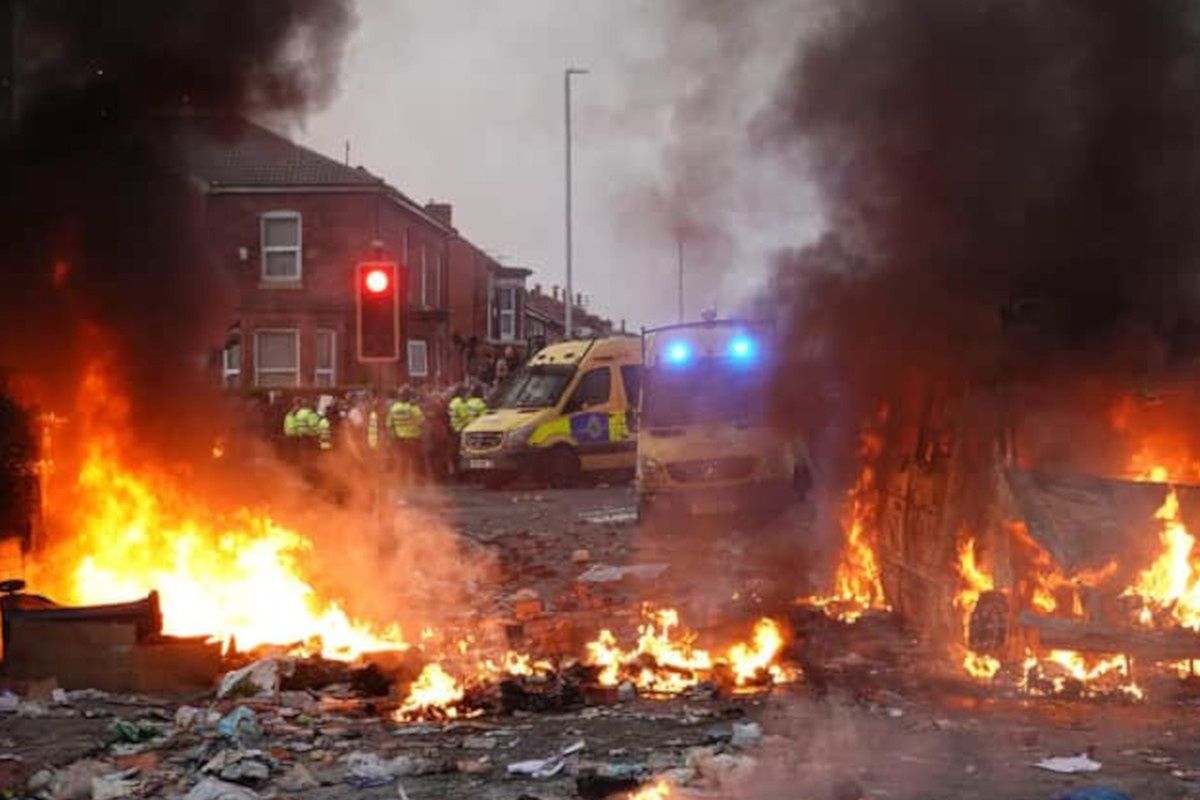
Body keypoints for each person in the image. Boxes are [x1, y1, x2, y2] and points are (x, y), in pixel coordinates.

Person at [388, 386, 425, 482]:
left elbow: (389, 424)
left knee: (401, 460)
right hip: (413, 438)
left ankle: (401, 479)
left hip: (399, 439)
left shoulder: (394, 408)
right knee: (415, 461)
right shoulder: (412, 407)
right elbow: (421, 421)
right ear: (408, 396)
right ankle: (416, 480)